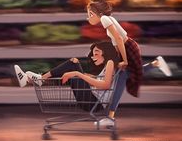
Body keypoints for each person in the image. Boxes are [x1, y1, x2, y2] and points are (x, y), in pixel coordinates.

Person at [14, 42, 172, 126]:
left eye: (97, 52)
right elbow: (103, 79)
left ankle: (36, 80)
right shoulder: (112, 65)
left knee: (75, 76)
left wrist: (78, 74)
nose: (94, 55)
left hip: (94, 102)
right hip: (92, 95)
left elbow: (104, 85)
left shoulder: (112, 64)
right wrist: (83, 74)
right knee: (73, 62)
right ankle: (38, 79)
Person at [86, 0, 172, 101]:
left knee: (128, 73)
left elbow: (119, 38)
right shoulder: (108, 18)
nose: (88, 18)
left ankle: (110, 112)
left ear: (97, 13)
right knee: (128, 72)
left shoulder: (104, 19)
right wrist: (117, 57)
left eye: (90, 14)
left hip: (128, 46)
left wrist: (125, 60)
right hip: (127, 46)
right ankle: (155, 64)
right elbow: (116, 41)